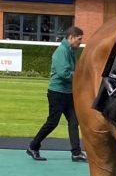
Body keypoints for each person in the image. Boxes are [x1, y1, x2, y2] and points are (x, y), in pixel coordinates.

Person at [26, 26, 87, 162]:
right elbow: (63, 73)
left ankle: (76, 153)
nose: (80, 42)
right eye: (79, 39)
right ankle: (33, 146)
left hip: (67, 93)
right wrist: (80, 77)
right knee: (53, 122)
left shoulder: (70, 50)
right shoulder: (61, 51)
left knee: (73, 122)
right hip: (57, 93)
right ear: (71, 37)